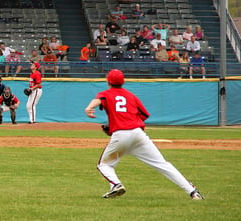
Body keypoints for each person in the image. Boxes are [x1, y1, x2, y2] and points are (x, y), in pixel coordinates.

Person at [84, 69, 204, 200]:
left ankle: (116, 184)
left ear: (108, 81)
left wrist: (89, 108)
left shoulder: (106, 93)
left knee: (104, 165)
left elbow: (99, 100)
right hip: (138, 134)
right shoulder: (131, 96)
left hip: (121, 135)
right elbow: (143, 115)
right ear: (123, 81)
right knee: (163, 164)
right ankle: (193, 192)